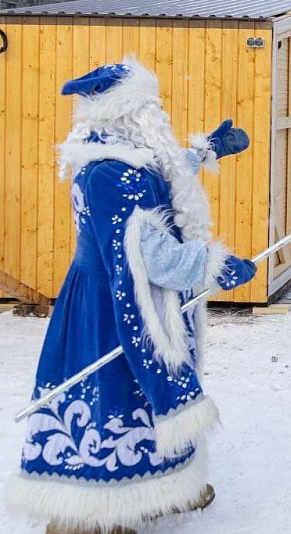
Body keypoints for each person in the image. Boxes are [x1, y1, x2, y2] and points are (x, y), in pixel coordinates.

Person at [5, 57, 257, 534]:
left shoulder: (116, 157)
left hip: (108, 296)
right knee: (114, 394)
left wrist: (204, 152)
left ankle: (163, 484)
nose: (160, 111)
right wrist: (215, 265)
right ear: (132, 112)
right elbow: (153, 255)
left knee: (142, 390)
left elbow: (160, 175)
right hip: (112, 308)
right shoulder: (109, 176)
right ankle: (98, 510)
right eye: (152, 104)